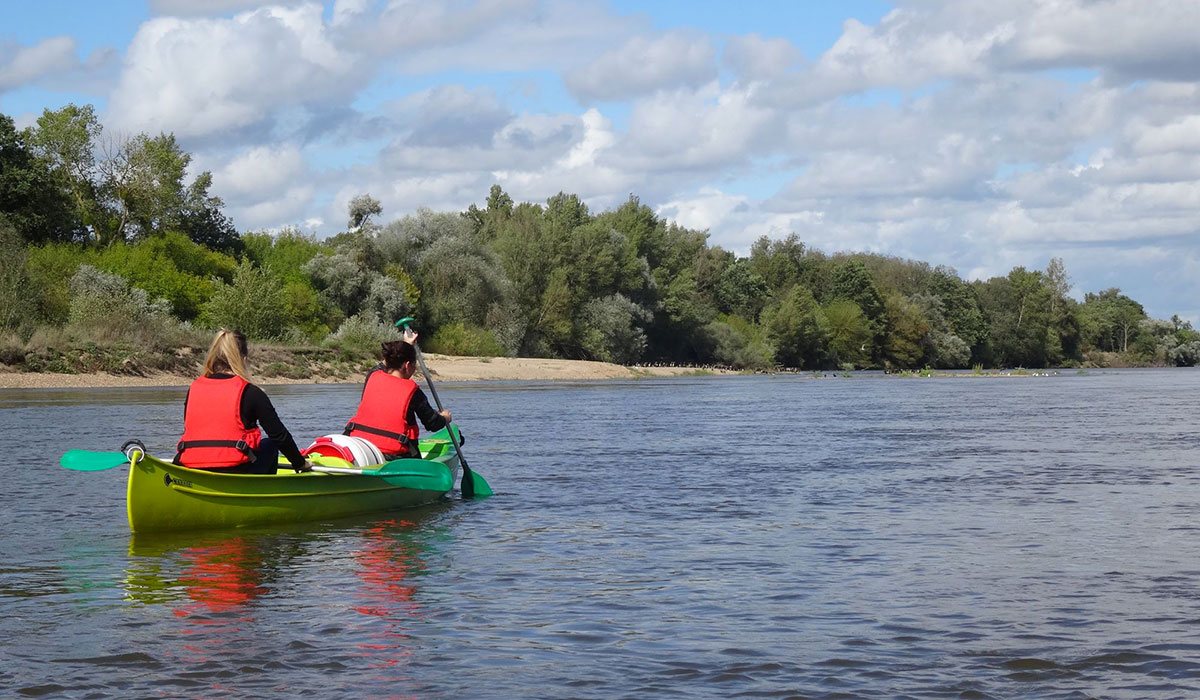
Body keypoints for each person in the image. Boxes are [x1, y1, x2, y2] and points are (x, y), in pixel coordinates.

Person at [175, 329, 310, 474]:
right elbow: (279, 436)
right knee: (270, 444)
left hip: (193, 468)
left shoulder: (194, 389)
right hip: (237, 470)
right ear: (243, 359)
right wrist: (300, 463)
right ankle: (267, 492)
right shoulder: (252, 392)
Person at [343, 329, 451, 460]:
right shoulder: (414, 392)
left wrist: (406, 344)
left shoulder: (372, 375)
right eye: (413, 365)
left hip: (361, 447)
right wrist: (445, 418)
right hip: (395, 456)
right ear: (407, 365)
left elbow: (386, 362)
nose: (414, 369)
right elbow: (432, 424)